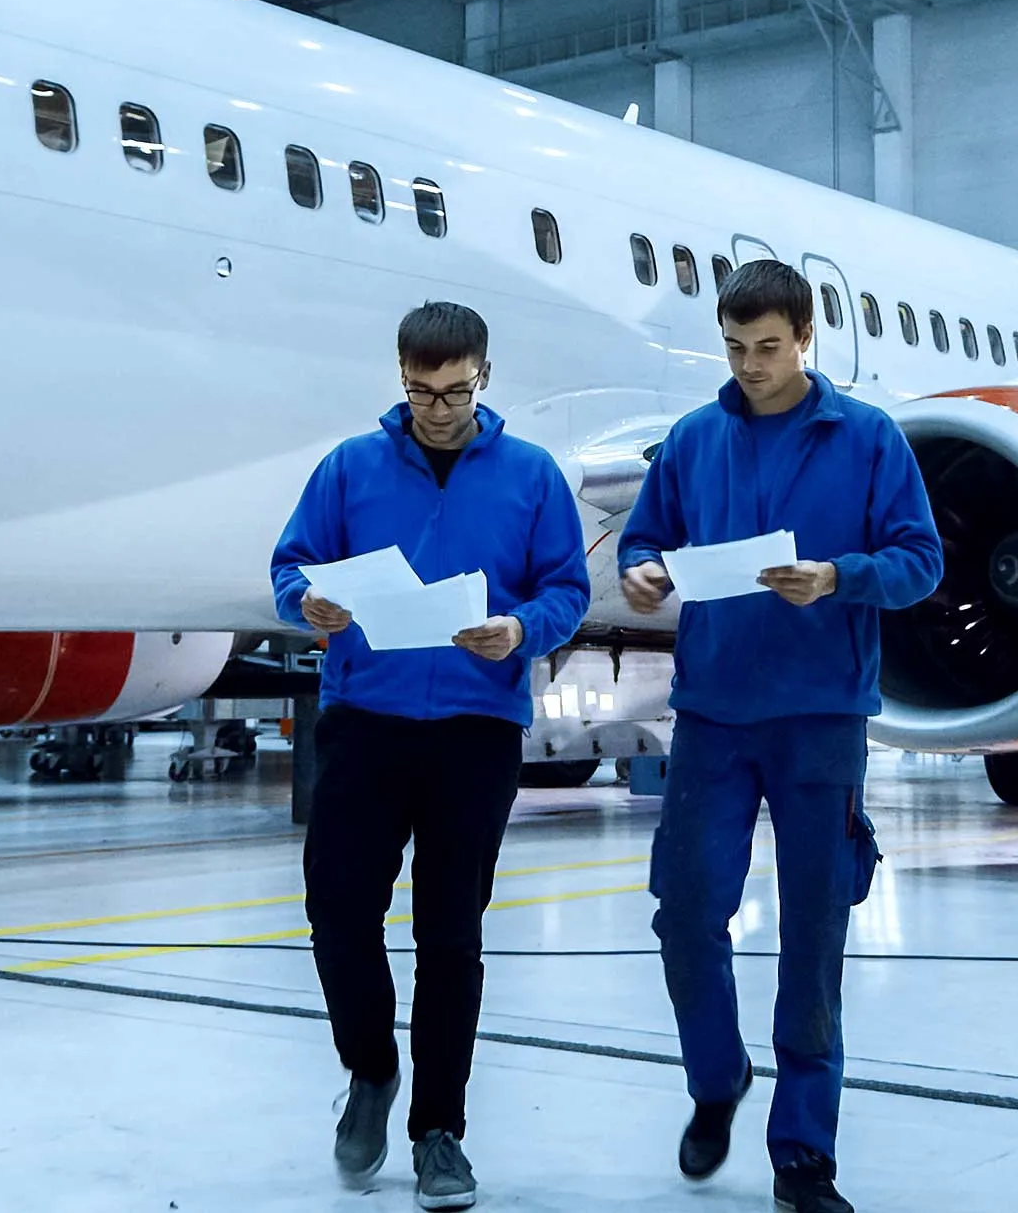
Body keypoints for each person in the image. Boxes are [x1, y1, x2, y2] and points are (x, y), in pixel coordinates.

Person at [616, 260, 944, 1213]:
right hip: (713, 715)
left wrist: (839, 577)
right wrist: (642, 576)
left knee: (814, 936)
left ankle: (804, 1154)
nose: (750, 365)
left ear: (807, 339)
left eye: (767, 348)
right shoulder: (692, 439)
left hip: (820, 719)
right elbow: (646, 541)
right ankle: (716, 1083)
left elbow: (919, 563)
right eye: (734, 347)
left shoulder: (870, 439)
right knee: (684, 913)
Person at [270, 301, 591, 1212]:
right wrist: (310, 605)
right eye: (420, 390)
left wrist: (520, 629)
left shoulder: (530, 476)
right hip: (365, 717)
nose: (439, 408)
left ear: (484, 376)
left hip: (475, 727)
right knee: (337, 910)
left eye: (456, 391)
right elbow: (291, 567)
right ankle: (371, 1071)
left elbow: (567, 589)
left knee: (450, 935)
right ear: (400, 375)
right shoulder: (349, 468)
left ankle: (438, 1133)